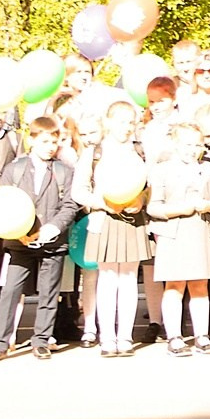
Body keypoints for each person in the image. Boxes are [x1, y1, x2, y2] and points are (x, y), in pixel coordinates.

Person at [0, 116, 78, 361]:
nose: (50, 147)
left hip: (52, 242)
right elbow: (4, 202)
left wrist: (53, 227)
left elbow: (69, 205)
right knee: (10, 291)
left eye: (54, 142)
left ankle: (41, 340)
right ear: (32, 140)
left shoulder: (63, 171)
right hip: (20, 241)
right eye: (45, 141)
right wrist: (18, 233)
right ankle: (0, 343)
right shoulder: (15, 169)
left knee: (49, 293)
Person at [83, 105, 153, 356]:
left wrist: (141, 200)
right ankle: (107, 338)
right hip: (105, 218)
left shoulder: (139, 151)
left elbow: (150, 185)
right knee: (108, 276)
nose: (127, 127)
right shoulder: (95, 152)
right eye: (122, 122)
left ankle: (125, 336)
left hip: (132, 219)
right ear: (109, 121)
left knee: (129, 277)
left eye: (131, 122)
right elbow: (79, 190)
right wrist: (103, 203)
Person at [149, 120, 210, 355]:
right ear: (175, 144)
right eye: (187, 145)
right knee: (175, 285)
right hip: (173, 233)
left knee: (200, 284)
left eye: (197, 145)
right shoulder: (162, 170)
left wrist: (209, 205)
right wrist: (180, 209)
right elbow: (153, 206)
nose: (192, 150)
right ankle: (174, 337)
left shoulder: (208, 168)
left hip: (201, 231)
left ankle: (202, 335)